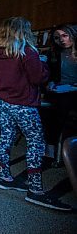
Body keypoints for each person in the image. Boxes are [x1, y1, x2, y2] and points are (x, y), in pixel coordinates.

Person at [0, 17, 71, 211]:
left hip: (2, 102)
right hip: (23, 104)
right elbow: (38, 77)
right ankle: (35, 190)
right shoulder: (26, 51)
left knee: (5, 137)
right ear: (23, 31)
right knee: (36, 142)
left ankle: (5, 177)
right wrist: (44, 65)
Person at [44, 24, 77, 158]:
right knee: (45, 106)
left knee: (61, 105)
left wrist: (73, 87)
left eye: (65, 36)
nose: (61, 40)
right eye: (57, 38)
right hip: (58, 90)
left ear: (72, 35)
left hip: (73, 91)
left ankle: (55, 147)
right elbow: (50, 75)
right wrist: (50, 83)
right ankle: (50, 147)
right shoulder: (54, 53)